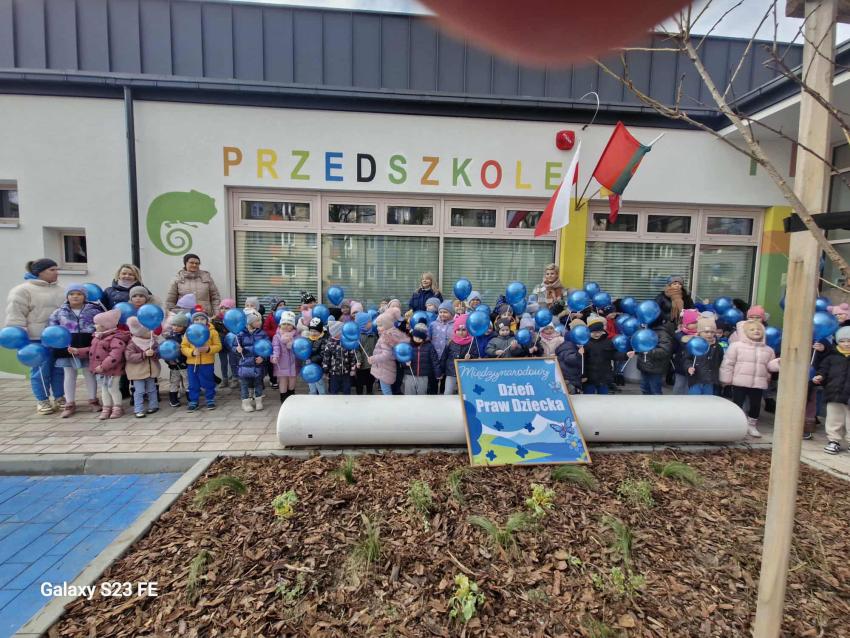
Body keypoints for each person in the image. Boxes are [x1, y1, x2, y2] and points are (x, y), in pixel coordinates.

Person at [5, 258, 67, 414]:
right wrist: (21, 334)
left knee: (59, 369)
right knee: (41, 370)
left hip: (58, 338)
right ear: (39, 272)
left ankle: (60, 397)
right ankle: (42, 400)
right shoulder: (22, 290)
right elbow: (15, 315)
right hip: (36, 338)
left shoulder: (61, 290)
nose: (56, 273)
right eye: (52, 270)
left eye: (57, 269)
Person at [719, 319, 780, 438]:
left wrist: (777, 364)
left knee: (755, 405)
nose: (756, 331)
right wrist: (726, 379)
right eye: (752, 329)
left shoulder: (768, 350)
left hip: (758, 383)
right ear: (745, 332)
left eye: (758, 329)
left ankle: (752, 425)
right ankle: (736, 424)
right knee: (738, 404)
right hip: (739, 381)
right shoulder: (736, 346)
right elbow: (728, 363)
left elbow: (769, 366)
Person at [46, 283, 100, 417]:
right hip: (67, 346)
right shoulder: (59, 312)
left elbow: (101, 326)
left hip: (87, 345)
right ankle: (69, 403)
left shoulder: (94, 310)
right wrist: (57, 342)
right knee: (69, 374)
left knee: (89, 373)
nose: (75, 296)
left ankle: (93, 400)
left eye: (79, 294)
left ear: (85, 296)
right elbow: (52, 328)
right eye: (72, 294)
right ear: (67, 296)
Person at [813, 326, 850, 454]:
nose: (846, 344)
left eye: (849, 341)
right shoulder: (832, 356)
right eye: (843, 341)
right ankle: (834, 441)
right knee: (834, 419)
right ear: (837, 342)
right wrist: (820, 376)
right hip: (834, 393)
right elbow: (824, 369)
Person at [88, 308, 130, 420]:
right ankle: (106, 408)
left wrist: (103, 366)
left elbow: (115, 356)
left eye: (97, 324)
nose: (95, 325)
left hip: (113, 370)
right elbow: (91, 350)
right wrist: (78, 351)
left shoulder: (116, 339)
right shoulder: (97, 337)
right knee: (104, 389)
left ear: (105, 325)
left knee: (113, 388)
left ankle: (117, 407)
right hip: (101, 370)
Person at [180, 311, 222, 411]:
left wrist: (208, 349)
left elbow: (218, 346)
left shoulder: (212, 332)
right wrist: (192, 352)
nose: (199, 321)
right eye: (196, 319)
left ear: (207, 320)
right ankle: (193, 400)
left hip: (207, 362)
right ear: (193, 321)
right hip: (192, 363)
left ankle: (210, 399)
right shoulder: (188, 332)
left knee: (208, 381)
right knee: (193, 383)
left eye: (202, 319)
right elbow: (183, 347)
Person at [124, 317, 161, 418]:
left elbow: (158, 353)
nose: (151, 332)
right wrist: (144, 354)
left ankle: (153, 405)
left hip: (151, 370)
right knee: (139, 391)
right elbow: (129, 356)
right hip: (137, 372)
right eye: (148, 331)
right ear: (140, 333)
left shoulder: (153, 342)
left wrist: (154, 353)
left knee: (152, 389)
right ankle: (138, 409)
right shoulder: (133, 343)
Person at [582, 314, 627, 394]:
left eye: (599, 332)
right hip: (589, 378)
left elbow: (614, 354)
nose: (597, 334)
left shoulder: (608, 342)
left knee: (603, 398)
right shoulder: (585, 343)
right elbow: (582, 361)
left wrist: (626, 355)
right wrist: (583, 375)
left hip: (604, 377)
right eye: (594, 332)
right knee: (588, 397)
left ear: (603, 331)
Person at [369, 307, 409, 395]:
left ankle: (388, 403)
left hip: (385, 367)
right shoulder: (394, 334)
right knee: (390, 390)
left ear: (387, 325)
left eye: (380, 325)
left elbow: (386, 354)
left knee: (386, 391)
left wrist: (373, 359)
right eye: (377, 325)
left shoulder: (385, 337)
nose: (378, 328)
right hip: (391, 367)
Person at [235, 309, 267, 412]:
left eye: (260, 320)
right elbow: (234, 346)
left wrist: (263, 357)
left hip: (257, 364)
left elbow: (267, 348)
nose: (260, 322)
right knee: (244, 384)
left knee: (258, 383)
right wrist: (237, 349)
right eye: (257, 320)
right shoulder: (240, 334)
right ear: (249, 322)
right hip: (244, 364)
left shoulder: (262, 334)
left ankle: (258, 401)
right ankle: (245, 403)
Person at [440, 314, 480, 394]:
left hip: (465, 372)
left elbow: (476, 356)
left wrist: (470, 357)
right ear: (455, 330)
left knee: (464, 392)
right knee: (448, 392)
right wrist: (441, 371)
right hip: (451, 372)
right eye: (458, 330)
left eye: (464, 330)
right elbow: (444, 357)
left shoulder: (472, 342)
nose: (461, 332)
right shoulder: (451, 342)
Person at [636, 315, 674, 395]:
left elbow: (665, 351)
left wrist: (649, 351)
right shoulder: (644, 331)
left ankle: (657, 403)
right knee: (644, 388)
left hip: (655, 368)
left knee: (655, 390)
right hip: (644, 365)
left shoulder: (663, 334)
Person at [686, 315, 724, 395]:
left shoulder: (717, 347)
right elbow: (686, 359)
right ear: (700, 332)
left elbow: (721, 361)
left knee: (708, 400)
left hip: (710, 381)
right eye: (706, 332)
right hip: (696, 379)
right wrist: (689, 367)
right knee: (694, 400)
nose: (709, 334)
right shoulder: (694, 344)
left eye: (712, 332)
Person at [403, 323, 440, 395]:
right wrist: (405, 363)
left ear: (424, 338)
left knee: (422, 394)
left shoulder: (429, 346)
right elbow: (402, 357)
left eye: (420, 338)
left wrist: (438, 372)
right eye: (415, 337)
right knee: (409, 394)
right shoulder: (408, 345)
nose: (417, 339)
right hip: (410, 374)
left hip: (423, 375)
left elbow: (434, 360)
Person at [163, 313, 189, 407]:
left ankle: (190, 398)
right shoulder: (169, 337)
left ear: (184, 326)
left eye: (179, 325)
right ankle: (173, 399)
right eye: (174, 325)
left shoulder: (186, 336)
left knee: (187, 382)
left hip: (184, 364)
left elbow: (186, 349)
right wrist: (168, 361)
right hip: (173, 365)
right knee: (174, 382)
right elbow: (165, 350)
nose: (176, 327)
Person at [323, 322, 357, 395]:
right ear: (336, 333)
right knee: (334, 390)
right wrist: (326, 371)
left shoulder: (347, 343)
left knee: (347, 390)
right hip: (334, 373)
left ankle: (347, 401)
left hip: (346, 372)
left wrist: (353, 369)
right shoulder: (329, 345)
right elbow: (326, 359)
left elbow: (352, 356)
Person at [671, 309, 700, 395]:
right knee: (679, 385)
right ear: (686, 323)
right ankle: (675, 400)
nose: (696, 325)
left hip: (694, 366)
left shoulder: (700, 335)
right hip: (681, 365)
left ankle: (687, 401)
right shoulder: (679, 335)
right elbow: (673, 349)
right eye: (693, 323)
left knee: (689, 386)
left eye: (697, 322)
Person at [212, 298, 237, 388]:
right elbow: (213, 330)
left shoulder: (234, 319)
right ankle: (225, 379)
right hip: (221, 344)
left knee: (233, 362)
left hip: (231, 344)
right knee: (223, 363)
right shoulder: (216, 319)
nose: (223, 310)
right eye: (222, 308)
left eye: (227, 308)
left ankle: (235, 378)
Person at [353, 314, 378, 395]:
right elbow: (356, 350)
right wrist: (359, 360)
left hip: (371, 364)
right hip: (362, 365)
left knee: (370, 380)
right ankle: (359, 395)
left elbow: (376, 347)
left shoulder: (373, 335)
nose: (371, 323)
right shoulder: (358, 336)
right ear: (363, 323)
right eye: (369, 322)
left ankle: (369, 392)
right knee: (360, 382)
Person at [305, 317, 328, 394]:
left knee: (319, 382)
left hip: (319, 366)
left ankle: (322, 395)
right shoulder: (308, 339)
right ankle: (312, 394)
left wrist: (312, 360)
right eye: (311, 331)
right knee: (311, 382)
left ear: (320, 331)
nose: (313, 333)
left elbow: (323, 354)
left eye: (315, 331)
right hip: (309, 367)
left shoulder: (323, 339)